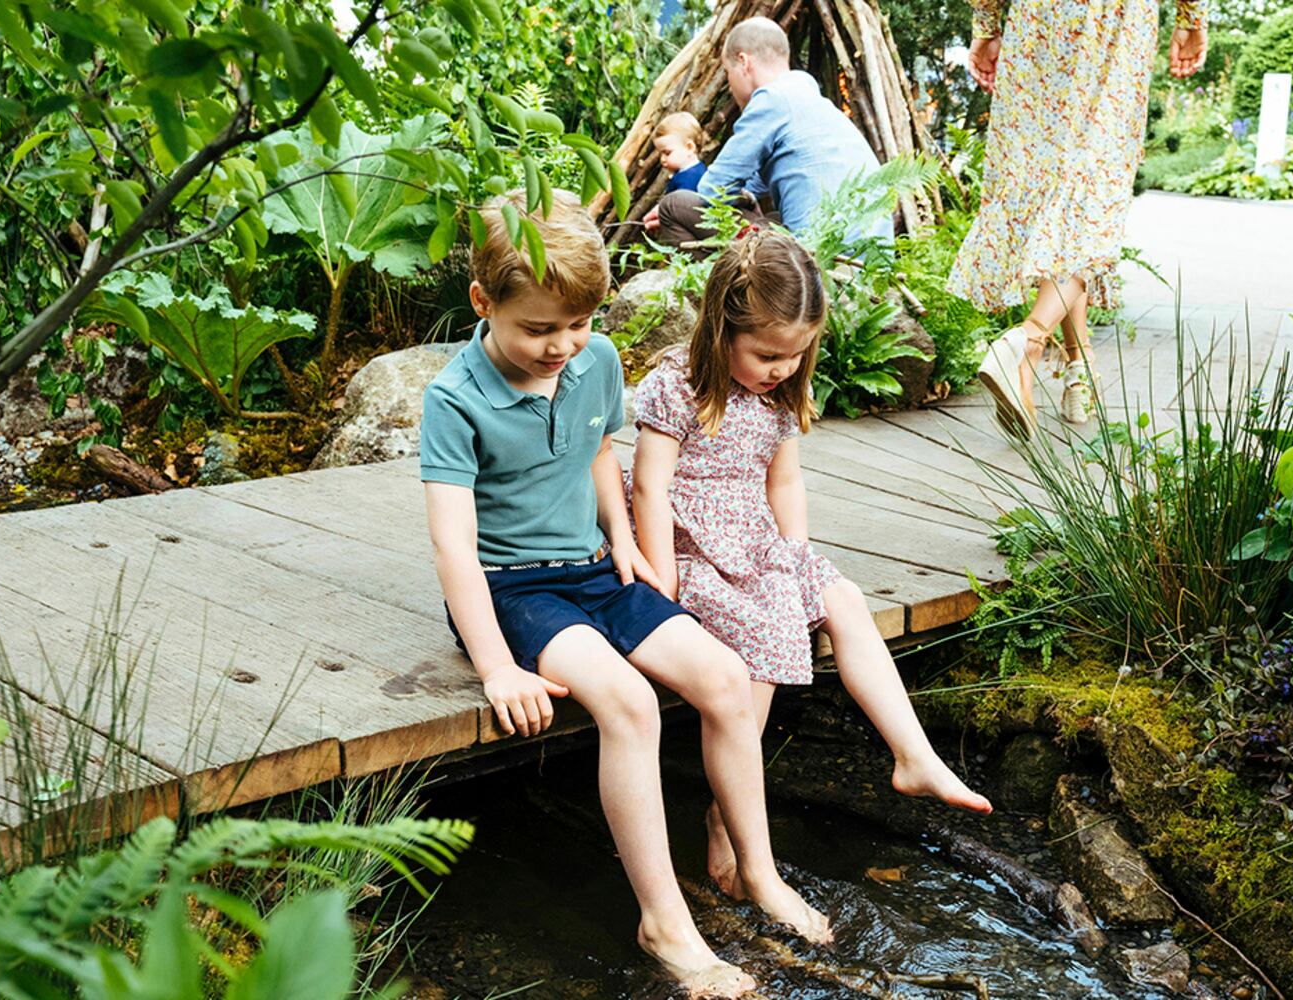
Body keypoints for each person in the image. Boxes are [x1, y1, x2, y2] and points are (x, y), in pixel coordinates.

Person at [420, 190, 830, 998]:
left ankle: (759, 868)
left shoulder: (594, 360)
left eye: (576, 325)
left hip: (598, 569)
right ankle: (664, 923)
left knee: (721, 679)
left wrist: (630, 542)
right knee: (631, 705)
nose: (560, 347)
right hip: (512, 591)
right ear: (482, 302)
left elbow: (602, 456)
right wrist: (499, 667)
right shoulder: (453, 398)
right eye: (538, 328)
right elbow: (453, 548)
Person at [629, 227, 993, 896]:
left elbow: (784, 482)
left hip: (758, 538)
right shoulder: (675, 387)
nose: (782, 369)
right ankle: (727, 819)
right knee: (767, 634)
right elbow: (649, 486)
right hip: (691, 546)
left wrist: (795, 555)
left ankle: (913, 755)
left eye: (797, 355)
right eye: (768, 354)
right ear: (720, 329)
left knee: (843, 600)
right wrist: (663, 582)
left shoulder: (776, 394)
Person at [952, 0, 1208, 435]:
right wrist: (1191, 18)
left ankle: (1078, 365)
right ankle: (1026, 344)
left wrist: (986, 22)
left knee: (1061, 193)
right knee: (1092, 195)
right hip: (1118, 22)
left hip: (1042, 21)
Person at [645, 17, 888, 249]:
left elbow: (713, 189)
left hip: (817, 258)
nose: (730, 87)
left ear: (743, 62)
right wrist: (747, 197)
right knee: (771, 218)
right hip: (861, 253)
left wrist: (698, 203)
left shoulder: (771, 100)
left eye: (728, 74)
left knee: (672, 206)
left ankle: (714, 290)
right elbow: (758, 181)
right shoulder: (806, 97)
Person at [655, 111, 708, 194]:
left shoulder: (691, 179)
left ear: (689, 148)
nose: (662, 159)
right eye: (660, 154)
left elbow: (680, 205)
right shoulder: (685, 173)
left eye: (667, 153)